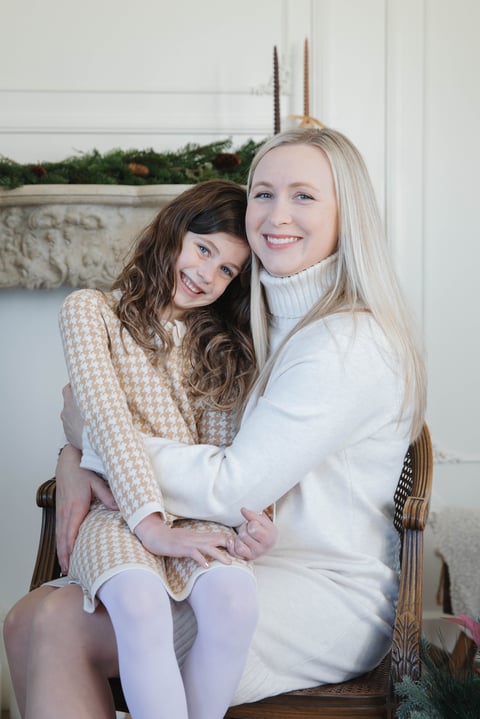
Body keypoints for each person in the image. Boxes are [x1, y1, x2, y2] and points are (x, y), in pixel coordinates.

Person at [4, 126, 426, 718]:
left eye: (304, 196)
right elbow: (162, 416)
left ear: (346, 215)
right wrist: (74, 458)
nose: (277, 214)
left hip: (321, 589)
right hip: (240, 550)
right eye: (263, 193)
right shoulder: (253, 316)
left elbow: (233, 488)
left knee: (54, 625)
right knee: (24, 622)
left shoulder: (347, 342)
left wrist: (86, 443)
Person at [6, 180, 277, 719]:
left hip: (197, 512)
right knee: (138, 600)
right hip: (118, 512)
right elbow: (105, 420)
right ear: (174, 232)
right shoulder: (91, 312)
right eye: (203, 249)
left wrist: (257, 520)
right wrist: (149, 523)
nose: (206, 275)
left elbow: (230, 451)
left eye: (227, 270)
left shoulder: (222, 345)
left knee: (235, 602)